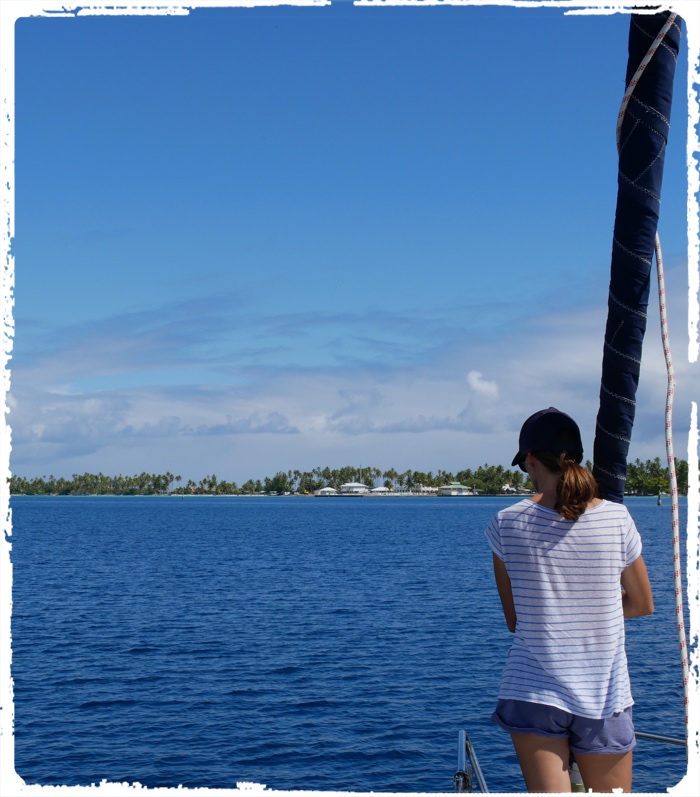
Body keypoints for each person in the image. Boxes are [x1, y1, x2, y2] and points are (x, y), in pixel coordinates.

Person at [485, 407, 654, 793]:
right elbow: (643, 604)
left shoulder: (505, 523)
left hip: (533, 691)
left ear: (529, 460)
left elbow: (516, 621)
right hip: (605, 692)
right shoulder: (617, 519)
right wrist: (599, 610)